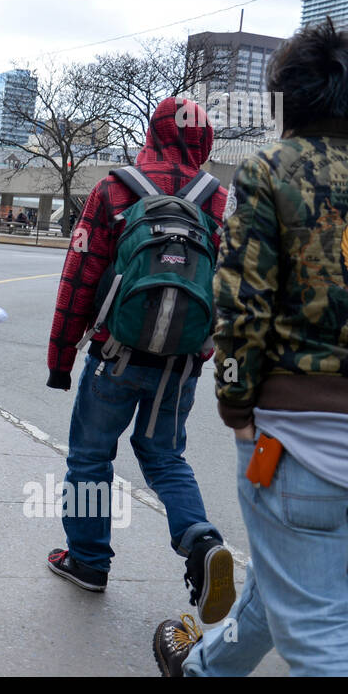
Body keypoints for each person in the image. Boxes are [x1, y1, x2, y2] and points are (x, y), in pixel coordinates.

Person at [154, 19, 348, 676]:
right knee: (291, 578)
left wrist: (236, 404)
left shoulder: (268, 172)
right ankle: (202, 670)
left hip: (297, 431)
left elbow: (241, 302)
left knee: (315, 627)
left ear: (289, 100)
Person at [45, 96, 234, 622]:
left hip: (115, 355)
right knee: (166, 456)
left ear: (154, 131)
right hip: (180, 364)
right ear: (204, 140)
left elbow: (79, 277)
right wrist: (210, 349)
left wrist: (61, 359)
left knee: (90, 457)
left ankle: (87, 562)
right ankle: (200, 541)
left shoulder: (115, 188)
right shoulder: (219, 200)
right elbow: (234, 285)